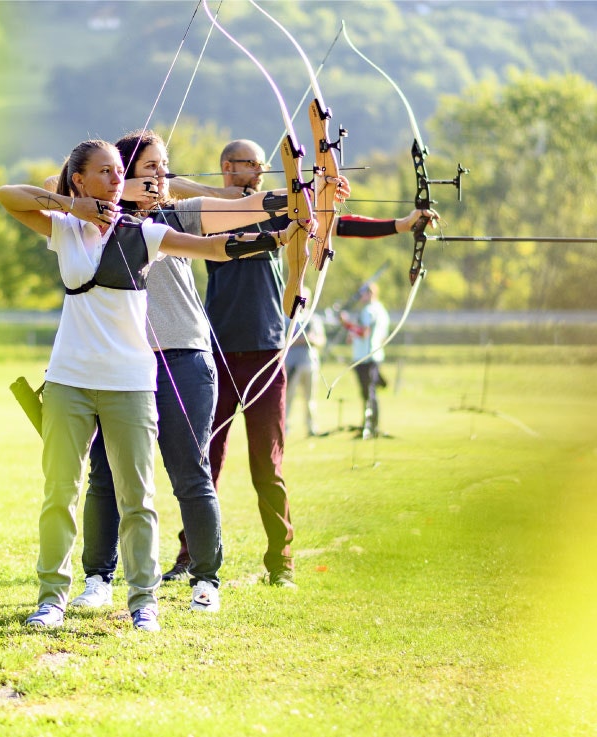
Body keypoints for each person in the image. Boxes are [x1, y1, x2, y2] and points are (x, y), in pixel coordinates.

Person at [0, 138, 302, 630]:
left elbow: (218, 241)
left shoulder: (153, 228)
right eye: (110, 172)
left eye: (124, 172)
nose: (121, 180)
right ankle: (64, 593)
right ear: (81, 178)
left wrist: (282, 225)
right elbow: (9, 195)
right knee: (69, 489)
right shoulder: (67, 229)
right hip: (74, 376)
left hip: (141, 373)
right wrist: (76, 206)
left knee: (156, 487)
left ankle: (159, 595)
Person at [66, 130, 345, 609]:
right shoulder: (91, 220)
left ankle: (205, 580)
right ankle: (99, 578)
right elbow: (51, 186)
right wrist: (122, 194)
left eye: (165, 166)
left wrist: (309, 197)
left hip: (184, 356)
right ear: (122, 173)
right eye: (151, 166)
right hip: (121, 360)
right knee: (107, 475)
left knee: (190, 472)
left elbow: (250, 209)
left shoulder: (180, 214)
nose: (162, 175)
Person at [160, 138, 430, 587]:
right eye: (253, 165)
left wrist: (399, 224)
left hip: (267, 354)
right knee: (206, 461)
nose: (262, 172)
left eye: (267, 166)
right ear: (228, 167)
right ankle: (192, 555)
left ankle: (280, 565)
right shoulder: (208, 213)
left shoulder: (278, 209)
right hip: (217, 355)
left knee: (267, 465)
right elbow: (172, 192)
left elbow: (332, 226)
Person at [339, 282, 390, 440]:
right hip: (374, 355)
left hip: (365, 358)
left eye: (363, 294)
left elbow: (364, 332)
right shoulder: (382, 310)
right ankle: (370, 424)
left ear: (370, 294)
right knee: (369, 393)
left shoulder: (368, 311)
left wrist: (347, 324)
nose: (361, 297)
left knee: (368, 393)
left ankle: (370, 426)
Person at [284, 285, 325, 437]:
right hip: (293, 364)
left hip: (310, 365)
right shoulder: (288, 318)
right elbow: (285, 341)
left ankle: (311, 427)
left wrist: (312, 339)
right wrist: (302, 339)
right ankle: (285, 427)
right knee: (289, 397)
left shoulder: (313, 318)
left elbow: (320, 340)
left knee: (310, 399)